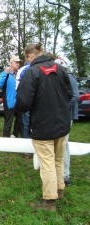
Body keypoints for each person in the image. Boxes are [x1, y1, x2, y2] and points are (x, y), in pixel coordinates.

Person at [16, 43, 73, 211]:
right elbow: (69, 94)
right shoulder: (61, 69)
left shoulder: (32, 72)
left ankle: (49, 201)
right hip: (62, 123)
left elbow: (23, 103)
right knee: (58, 158)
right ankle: (60, 189)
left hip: (43, 125)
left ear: (29, 56)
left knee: (46, 162)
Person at [55, 56, 79, 186]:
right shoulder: (63, 77)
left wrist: (61, 106)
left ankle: (65, 175)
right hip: (62, 115)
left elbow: (75, 96)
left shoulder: (69, 77)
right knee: (62, 145)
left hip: (66, 116)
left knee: (63, 146)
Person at [0, 55, 22, 137]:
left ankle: (14, 136)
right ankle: (6, 139)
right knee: (8, 123)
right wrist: (5, 73)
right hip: (9, 102)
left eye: (19, 62)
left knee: (19, 121)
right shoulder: (6, 73)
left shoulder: (18, 74)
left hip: (18, 102)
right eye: (16, 62)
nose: (18, 64)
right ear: (11, 63)